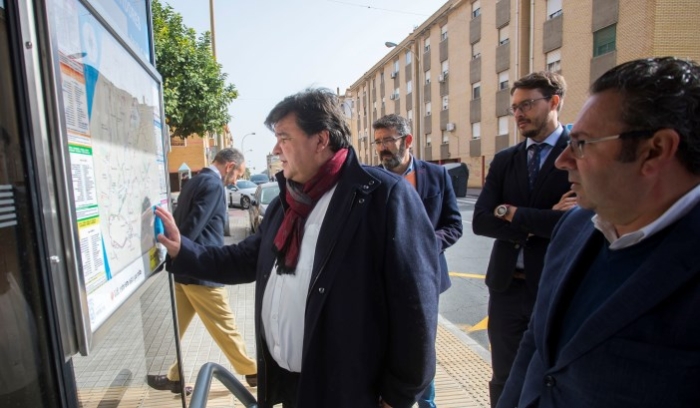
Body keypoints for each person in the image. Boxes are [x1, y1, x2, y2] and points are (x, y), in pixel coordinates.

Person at [155, 88, 440, 408]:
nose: (276, 149)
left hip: (348, 393)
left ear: (320, 140)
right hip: (291, 387)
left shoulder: (382, 197)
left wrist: (397, 397)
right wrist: (183, 250)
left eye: (284, 137)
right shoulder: (285, 203)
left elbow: (415, 306)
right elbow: (246, 257)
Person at [498, 57, 700, 408]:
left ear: (655, 150)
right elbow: (536, 343)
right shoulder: (574, 227)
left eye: (582, 143)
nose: (563, 161)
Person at [472, 71, 574, 407]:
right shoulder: (505, 160)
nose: (518, 114)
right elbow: (482, 221)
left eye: (527, 105)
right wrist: (542, 217)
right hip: (505, 288)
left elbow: (574, 221)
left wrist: (513, 212)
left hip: (554, 285)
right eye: (514, 107)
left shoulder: (576, 153)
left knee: (551, 375)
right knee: (503, 376)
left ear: (554, 102)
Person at [147, 148, 257, 395]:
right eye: (237, 173)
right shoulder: (213, 184)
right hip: (202, 268)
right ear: (229, 166)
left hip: (185, 269)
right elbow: (194, 223)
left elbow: (179, 220)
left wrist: (177, 258)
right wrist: (184, 254)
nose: (236, 180)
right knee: (223, 323)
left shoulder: (193, 180)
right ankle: (254, 372)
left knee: (178, 327)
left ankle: (175, 377)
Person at [372, 113, 463, 408]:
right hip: (382, 281)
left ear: (407, 140)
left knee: (421, 345)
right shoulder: (372, 180)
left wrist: (422, 246)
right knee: (386, 345)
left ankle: (427, 403)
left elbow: (454, 225)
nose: (382, 147)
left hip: (426, 280)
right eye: (378, 141)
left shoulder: (436, 176)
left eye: (388, 139)